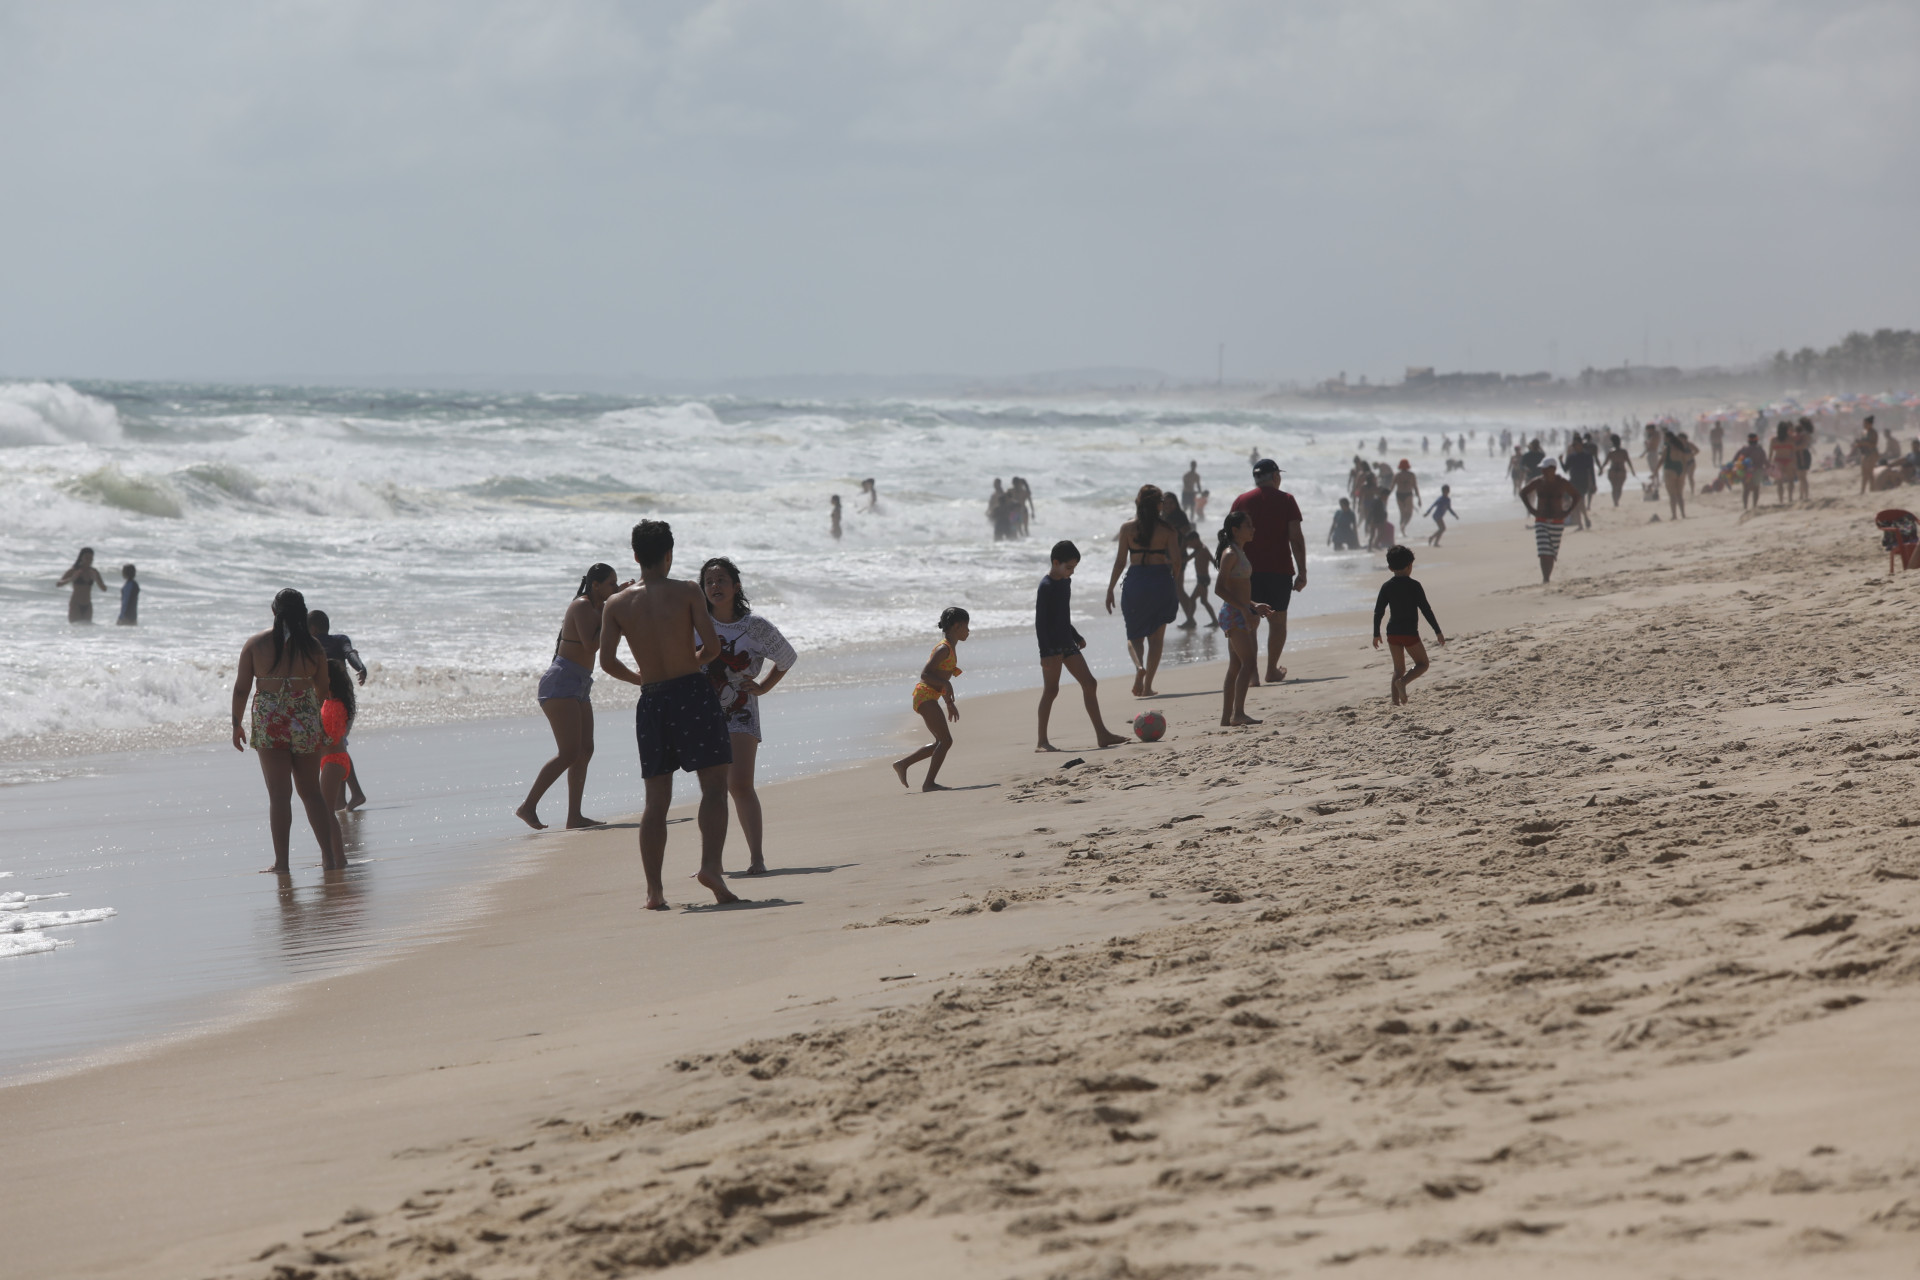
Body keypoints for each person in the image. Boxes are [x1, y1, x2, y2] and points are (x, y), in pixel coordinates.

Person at [599, 521, 739, 908]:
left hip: (653, 699)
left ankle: (654, 892)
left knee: (655, 800)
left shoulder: (616, 604)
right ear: (668, 554)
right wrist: (687, 662)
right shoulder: (688, 591)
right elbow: (711, 648)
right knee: (713, 785)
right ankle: (711, 865)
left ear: (634, 556)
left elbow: (608, 662)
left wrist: (641, 677)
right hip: (692, 692)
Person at [231, 588, 340, 874]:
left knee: (280, 796)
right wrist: (310, 716)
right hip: (304, 717)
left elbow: (242, 688)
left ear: (273, 611)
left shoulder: (255, 644)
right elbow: (322, 687)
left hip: (270, 720)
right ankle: (329, 858)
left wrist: (236, 724)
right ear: (303, 613)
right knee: (312, 793)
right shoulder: (313, 647)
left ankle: (282, 863)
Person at [699, 556, 797, 875]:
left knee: (740, 784)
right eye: (709, 581)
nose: (715, 586)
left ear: (735, 586)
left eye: (721, 580)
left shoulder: (755, 626)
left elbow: (786, 657)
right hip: (702, 711)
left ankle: (757, 858)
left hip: (741, 707)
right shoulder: (695, 622)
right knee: (713, 790)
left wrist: (765, 686)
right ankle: (711, 863)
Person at [517, 564, 626, 831]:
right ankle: (527, 806)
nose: (614, 588)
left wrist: (616, 604)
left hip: (580, 683)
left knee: (585, 750)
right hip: (561, 682)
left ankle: (574, 816)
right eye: (611, 584)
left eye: (616, 584)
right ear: (596, 585)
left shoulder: (599, 608)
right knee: (569, 753)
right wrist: (613, 608)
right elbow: (592, 644)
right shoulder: (581, 605)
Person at [1035, 541, 1128, 752]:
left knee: (1090, 683)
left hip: (1067, 642)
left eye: (1074, 569)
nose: (1071, 573)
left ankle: (1102, 734)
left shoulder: (1065, 583)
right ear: (1055, 562)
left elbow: (1063, 615)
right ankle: (1041, 741)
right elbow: (1041, 622)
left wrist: (1076, 635)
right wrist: (1044, 652)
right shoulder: (1046, 586)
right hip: (1051, 647)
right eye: (1068, 568)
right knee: (1051, 690)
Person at [1229, 459, 1307, 685]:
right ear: (1275, 477)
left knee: (1250, 622)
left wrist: (1229, 569)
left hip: (1246, 572)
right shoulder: (1287, 500)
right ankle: (1271, 669)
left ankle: (1251, 674)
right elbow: (1296, 538)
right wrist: (1302, 571)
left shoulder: (1240, 500)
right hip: (1279, 570)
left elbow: (1230, 538)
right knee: (1278, 621)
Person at [1105, 484, 1180, 697]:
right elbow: (1177, 561)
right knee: (1156, 639)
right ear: (1159, 505)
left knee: (1134, 636)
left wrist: (1110, 589)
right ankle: (1147, 687)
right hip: (1161, 580)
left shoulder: (1127, 528)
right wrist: (1173, 583)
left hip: (1136, 581)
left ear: (1138, 503)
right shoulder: (1168, 530)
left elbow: (1120, 562)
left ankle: (1138, 666)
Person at [894, 607, 969, 791]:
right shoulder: (944, 649)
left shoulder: (950, 649)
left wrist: (949, 703)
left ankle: (903, 764)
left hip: (930, 696)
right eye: (967, 626)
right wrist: (947, 685)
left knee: (940, 742)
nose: (969, 631)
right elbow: (926, 674)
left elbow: (940, 677)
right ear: (957, 626)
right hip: (924, 695)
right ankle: (928, 784)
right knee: (945, 741)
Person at [1213, 511, 1274, 726]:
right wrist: (1243, 610)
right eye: (1248, 525)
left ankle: (1226, 717)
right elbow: (1219, 589)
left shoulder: (1239, 551)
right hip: (1233, 614)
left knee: (1236, 666)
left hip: (1238, 610)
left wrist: (1253, 605)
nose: (1253, 529)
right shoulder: (1230, 554)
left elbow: (1237, 589)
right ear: (1235, 530)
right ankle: (1238, 713)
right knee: (1248, 663)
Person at [1373, 544, 1445, 704]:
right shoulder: (1414, 586)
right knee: (1423, 664)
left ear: (1390, 567)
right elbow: (1426, 610)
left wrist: (1376, 633)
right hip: (1409, 633)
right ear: (1410, 565)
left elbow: (1379, 611)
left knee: (1398, 669)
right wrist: (1437, 631)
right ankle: (1403, 682)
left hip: (1392, 633)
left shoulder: (1386, 587)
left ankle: (1395, 703)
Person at [317, 658, 356, 865]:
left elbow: (330, 738)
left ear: (329, 679)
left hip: (334, 759)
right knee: (326, 810)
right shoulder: (330, 702)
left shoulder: (335, 705)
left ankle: (338, 857)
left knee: (326, 811)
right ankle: (333, 855)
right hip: (332, 760)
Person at [1519, 459, 1581, 583]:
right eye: (1542, 468)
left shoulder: (1562, 483)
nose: (1542, 470)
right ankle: (1545, 578)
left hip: (1557, 521)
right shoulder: (1538, 482)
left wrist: (1567, 512)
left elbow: (1576, 496)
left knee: (1551, 552)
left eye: (1545, 468)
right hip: (1541, 519)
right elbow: (1523, 493)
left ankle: (1547, 577)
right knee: (1543, 551)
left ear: (1553, 469)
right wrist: (1532, 510)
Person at [309, 610, 368, 686]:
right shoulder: (341, 639)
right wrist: (361, 668)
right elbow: (350, 653)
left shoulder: (308, 644)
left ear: (313, 629)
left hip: (319, 689)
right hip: (342, 689)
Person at [58, 548, 109, 623]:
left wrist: (96, 579)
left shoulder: (93, 571)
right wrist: (71, 579)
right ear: (81, 558)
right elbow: (59, 584)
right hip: (76, 604)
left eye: (91, 558)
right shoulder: (74, 570)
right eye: (86, 558)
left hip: (88, 604)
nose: (88, 560)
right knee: (75, 628)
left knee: (87, 629)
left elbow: (104, 589)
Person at [1659, 429, 1695, 520]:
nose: (1663, 439)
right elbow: (1685, 460)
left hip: (1670, 470)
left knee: (1672, 495)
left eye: (1664, 438)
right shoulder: (1680, 447)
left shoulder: (1667, 448)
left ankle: (1674, 515)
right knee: (1679, 495)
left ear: (1668, 439)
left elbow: (1661, 460)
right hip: (1680, 471)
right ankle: (1683, 514)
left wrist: (1655, 471)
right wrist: (1684, 471)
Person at [1768, 421, 1801, 508]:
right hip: (1789, 461)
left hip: (1778, 461)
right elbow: (1794, 453)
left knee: (1779, 482)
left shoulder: (1774, 440)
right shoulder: (1790, 440)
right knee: (1790, 481)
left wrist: (1769, 465)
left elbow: (1770, 454)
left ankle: (1781, 500)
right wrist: (1795, 464)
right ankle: (1790, 498)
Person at [1733, 432, 1768, 511]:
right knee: (1756, 489)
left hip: (1745, 471)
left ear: (1748, 441)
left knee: (1746, 489)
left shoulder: (1744, 449)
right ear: (1757, 440)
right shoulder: (1760, 449)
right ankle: (1754, 506)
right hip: (1758, 471)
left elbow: (1735, 460)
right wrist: (1769, 467)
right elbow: (1765, 460)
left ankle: (1745, 506)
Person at [1604, 434, 1635, 507]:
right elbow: (1628, 461)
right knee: (1619, 487)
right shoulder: (1624, 451)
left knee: (1613, 487)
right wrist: (1633, 471)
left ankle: (1615, 501)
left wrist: (1601, 469)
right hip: (1621, 470)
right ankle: (1617, 500)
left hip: (1612, 470)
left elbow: (1605, 462)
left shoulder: (1611, 451)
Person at [1391, 460, 1421, 534]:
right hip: (1408, 494)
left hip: (1399, 494)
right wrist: (1419, 499)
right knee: (1409, 513)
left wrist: (1386, 497)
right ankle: (1403, 526)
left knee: (1402, 513)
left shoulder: (1397, 475)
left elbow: (1391, 487)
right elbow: (1415, 487)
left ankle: (1402, 530)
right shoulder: (1411, 475)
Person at [1858, 416, 1879, 496]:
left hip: (1872, 454)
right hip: (1865, 454)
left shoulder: (1873, 433)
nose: (1864, 425)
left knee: (1869, 473)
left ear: (1870, 424)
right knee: (1865, 473)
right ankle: (1866, 490)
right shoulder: (1864, 432)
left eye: (1866, 423)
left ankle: (1868, 490)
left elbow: (1873, 444)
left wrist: (1864, 443)